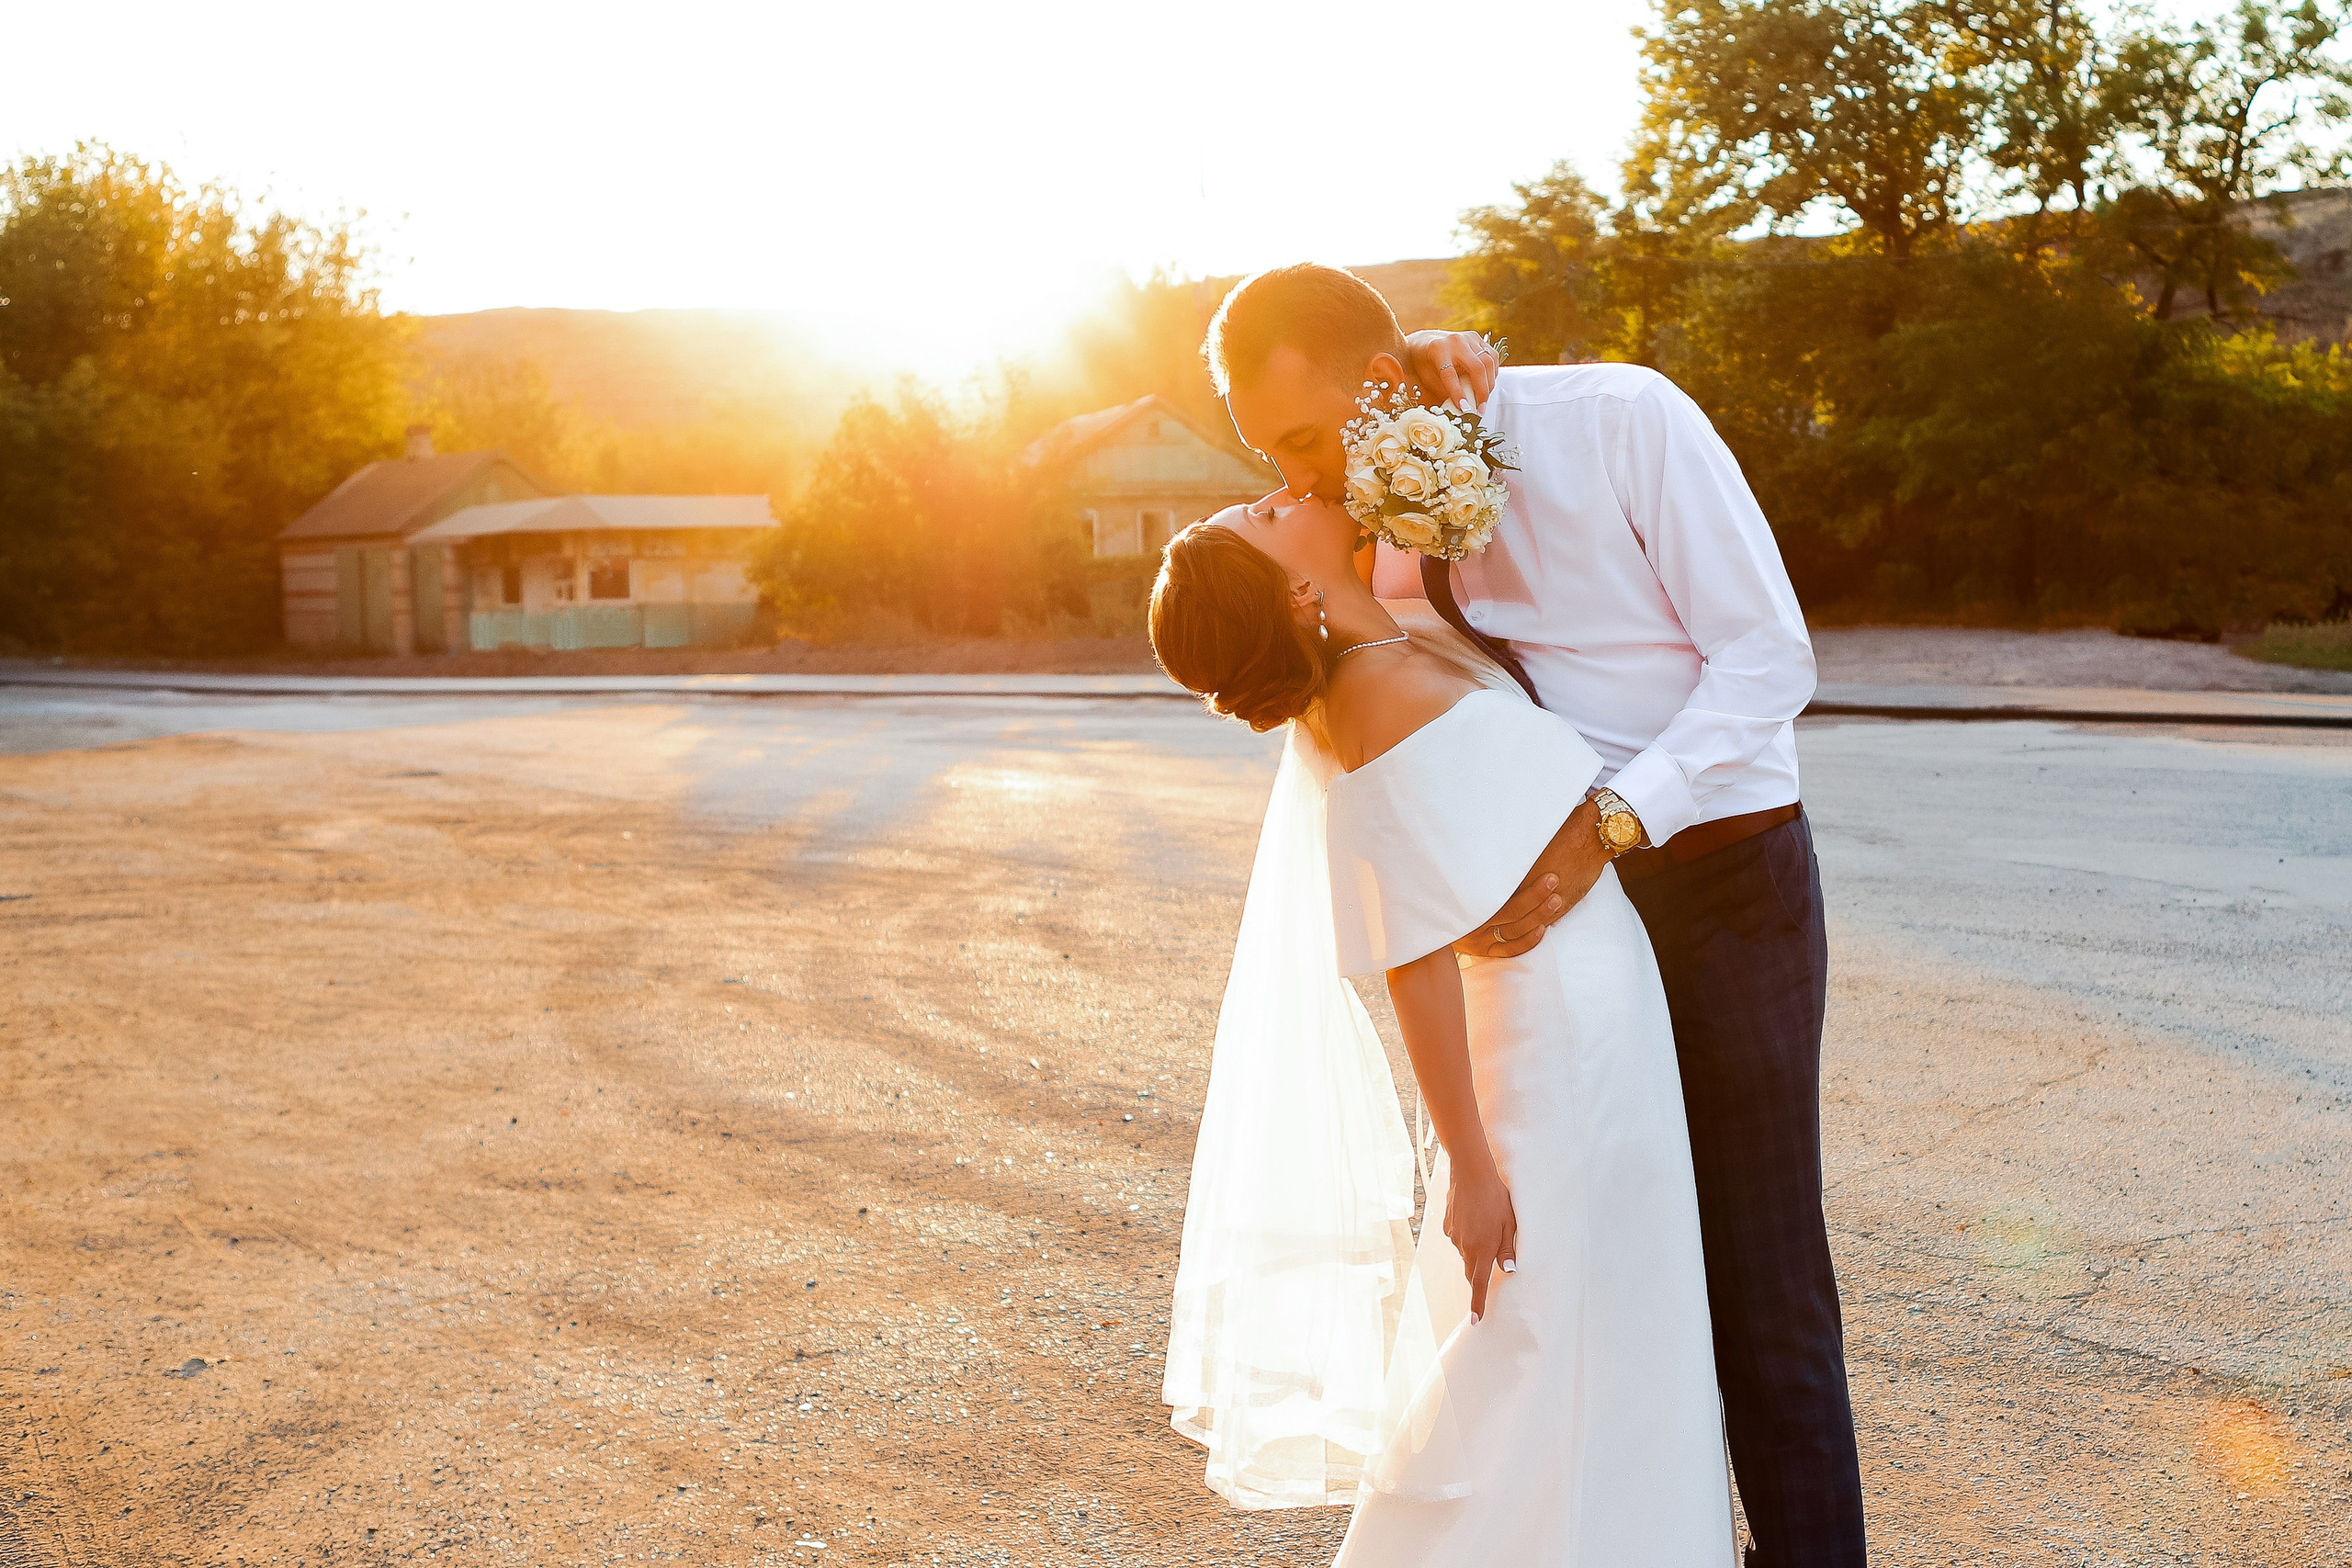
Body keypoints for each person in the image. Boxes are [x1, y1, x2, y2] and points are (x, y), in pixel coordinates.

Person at [1174, 265, 1868, 1567]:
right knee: (1627, 1277)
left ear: (1379, 380)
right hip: (1568, 948)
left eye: (1305, 440)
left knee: (1764, 1283)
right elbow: (1315, 653)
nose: (1299, 478)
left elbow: (1770, 658)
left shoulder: (1623, 421)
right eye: (1271, 458)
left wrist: (1611, 820)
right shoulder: (1366, 513)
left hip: (1720, 878)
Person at [1151, 507, 1735, 1562]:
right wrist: (1468, 1163)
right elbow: (1411, 954)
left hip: (1598, 1011)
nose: (1286, 496)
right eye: (1267, 516)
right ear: (1294, 594)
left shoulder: (1391, 644)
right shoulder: (1366, 700)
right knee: (1530, 1334)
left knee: (1615, 1313)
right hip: (1549, 1039)